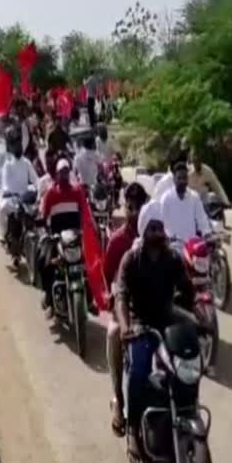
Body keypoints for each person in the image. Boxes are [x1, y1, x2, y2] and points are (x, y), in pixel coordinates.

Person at [114, 200, 195, 463]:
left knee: (187, 364)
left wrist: (188, 311)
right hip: (141, 325)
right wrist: (126, 327)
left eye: (160, 227)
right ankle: (134, 431)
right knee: (138, 368)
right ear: (143, 230)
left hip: (166, 321)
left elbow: (186, 289)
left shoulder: (172, 258)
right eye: (152, 228)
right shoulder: (131, 260)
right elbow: (121, 296)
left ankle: (186, 413)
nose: (158, 233)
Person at [103, 183, 149, 438]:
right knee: (113, 334)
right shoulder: (118, 241)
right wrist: (116, 299)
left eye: (138, 207)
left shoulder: (157, 235)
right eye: (129, 208)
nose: (133, 213)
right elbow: (109, 275)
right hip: (127, 310)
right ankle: (119, 399)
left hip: (153, 308)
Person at [38, 159, 90, 317]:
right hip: (57, 238)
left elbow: (85, 212)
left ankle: (91, 298)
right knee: (44, 261)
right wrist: (43, 227)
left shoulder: (77, 191)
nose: (64, 175)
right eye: (61, 172)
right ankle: (49, 297)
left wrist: (88, 228)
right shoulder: (51, 194)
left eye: (67, 171)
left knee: (91, 263)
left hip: (75, 237)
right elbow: (44, 215)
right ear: (57, 174)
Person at [160, 162, 212, 255]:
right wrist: (166, 237)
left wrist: (207, 234)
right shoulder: (166, 198)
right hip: (172, 248)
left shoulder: (194, 197)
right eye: (179, 178)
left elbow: (202, 219)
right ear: (174, 179)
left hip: (191, 247)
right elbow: (161, 221)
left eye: (184, 178)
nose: (182, 181)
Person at [0, 127, 39, 241]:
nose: (18, 147)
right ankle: (4, 233)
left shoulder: (26, 162)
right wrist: (8, 192)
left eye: (19, 145)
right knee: (1, 208)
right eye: (15, 145)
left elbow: (35, 179)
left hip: (25, 199)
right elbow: (4, 183)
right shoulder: (8, 164)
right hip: (12, 199)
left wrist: (38, 189)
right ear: (11, 147)